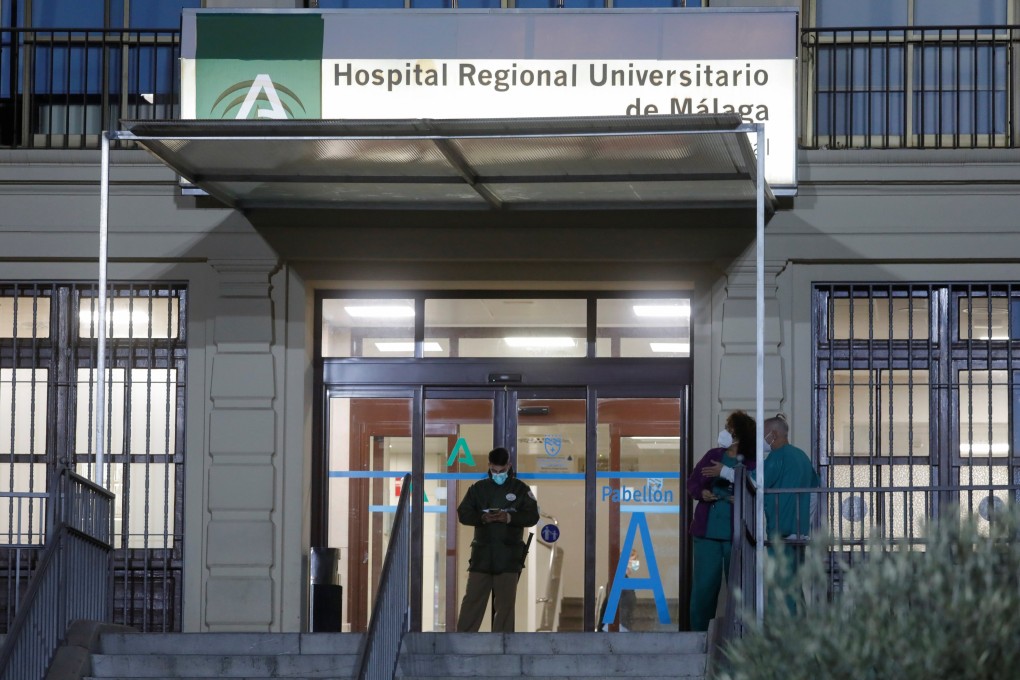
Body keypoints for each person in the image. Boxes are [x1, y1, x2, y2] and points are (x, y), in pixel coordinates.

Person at [456, 446, 539, 632]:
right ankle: (464, 640)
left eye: (502, 470)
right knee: (472, 601)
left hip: (509, 557)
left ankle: (503, 643)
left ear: (509, 466)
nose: (498, 474)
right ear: (489, 466)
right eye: (494, 470)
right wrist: (482, 518)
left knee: (506, 605)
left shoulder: (520, 489)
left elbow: (532, 516)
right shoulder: (478, 489)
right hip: (482, 556)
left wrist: (509, 518)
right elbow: (463, 513)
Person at [687, 410, 757, 632]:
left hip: (736, 533)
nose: (725, 432)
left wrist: (741, 495)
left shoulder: (752, 462)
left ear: (738, 432)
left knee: (739, 588)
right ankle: (698, 635)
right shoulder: (712, 455)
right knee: (704, 588)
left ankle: (739, 636)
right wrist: (702, 493)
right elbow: (692, 483)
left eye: (729, 428)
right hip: (706, 532)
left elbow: (756, 488)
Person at [761, 413, 820, 613]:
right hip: (798, 534)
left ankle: (781, 639)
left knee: (780, 589)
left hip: (781, 533)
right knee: (794, 587)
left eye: (762, 434)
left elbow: (753, 483)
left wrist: (727, 473)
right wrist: (804, 526)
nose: (761, 440)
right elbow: (814, 494)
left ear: (773, 434)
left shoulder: (777, 457)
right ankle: (799, 633)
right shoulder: (801, 456)